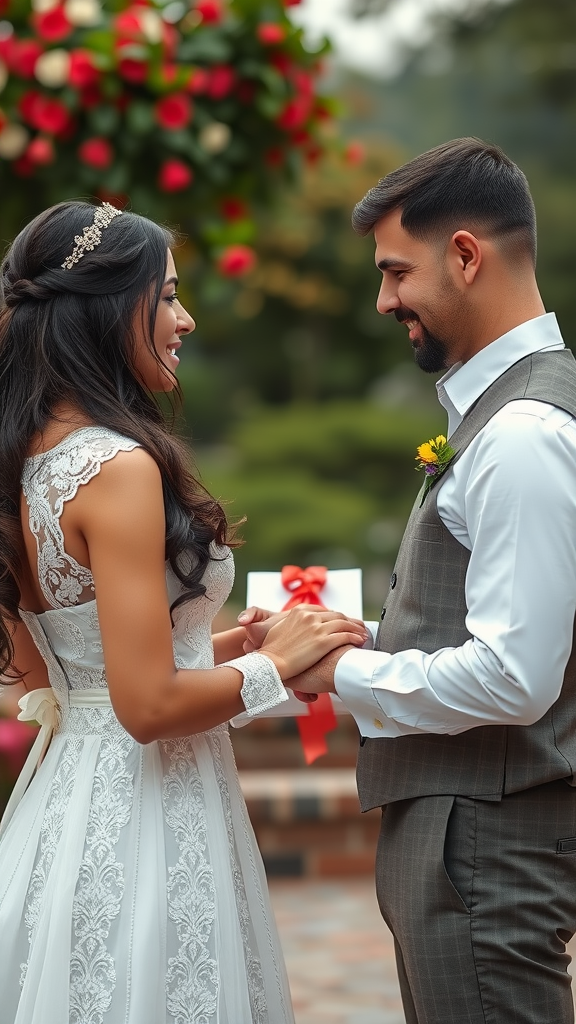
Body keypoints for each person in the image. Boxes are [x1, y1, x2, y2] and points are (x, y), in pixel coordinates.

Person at [0, 200, 368, 1024]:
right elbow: (148, 706)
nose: (185, 318)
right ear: (106, 309)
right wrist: (272, 667)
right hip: (146, 819)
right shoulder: (117, 467)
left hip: (64, 809)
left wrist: (238, 645)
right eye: (166, 296)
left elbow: (59, 671)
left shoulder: (24, 461)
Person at [244, 137, 576, 1024]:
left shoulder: (521, 434)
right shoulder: (504, 417)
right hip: (465, 833)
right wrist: (350, 640)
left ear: (465, 256)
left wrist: (335, 674)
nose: (385, 299)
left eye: (396, 272)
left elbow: (515, 675)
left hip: (485, 843)